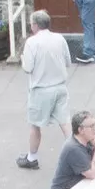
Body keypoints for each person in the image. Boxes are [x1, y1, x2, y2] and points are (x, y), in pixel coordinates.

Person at [16, 10, 71, 171]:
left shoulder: (32, 43)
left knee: (35, 125)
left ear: (35, 25)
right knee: (65, 123)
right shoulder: (59, 38)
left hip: (41, 90)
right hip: (60, 87)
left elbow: (28, 68)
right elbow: (68, 61)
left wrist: (22, 59)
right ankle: (79, 154)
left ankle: (32, 158)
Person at [51, 110, 95, 189]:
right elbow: (92, 174)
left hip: (79, 186)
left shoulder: (88, 141)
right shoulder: (73, 148)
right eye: (91, 126)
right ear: (81, 130)